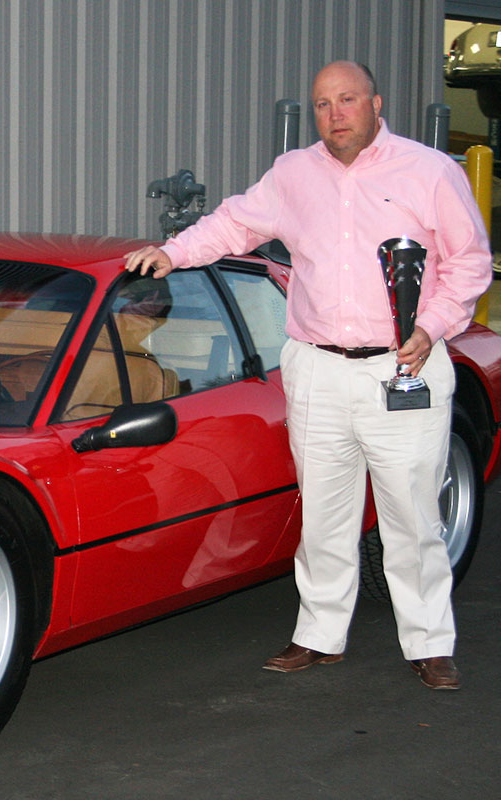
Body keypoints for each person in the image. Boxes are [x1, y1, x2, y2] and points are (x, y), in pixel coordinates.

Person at [125, 61, 492, 690]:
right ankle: (320, 636)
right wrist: (173, 251)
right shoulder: (293, 174)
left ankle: (430, 642)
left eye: (347, 99)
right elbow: (235, 223)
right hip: (317, 368)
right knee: (324, 514)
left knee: (412, 517)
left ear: (376, 103)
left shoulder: (429, 171)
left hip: (403, 366)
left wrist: (431, 326)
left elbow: (469, 262)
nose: (334, 114)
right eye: (323, 104)